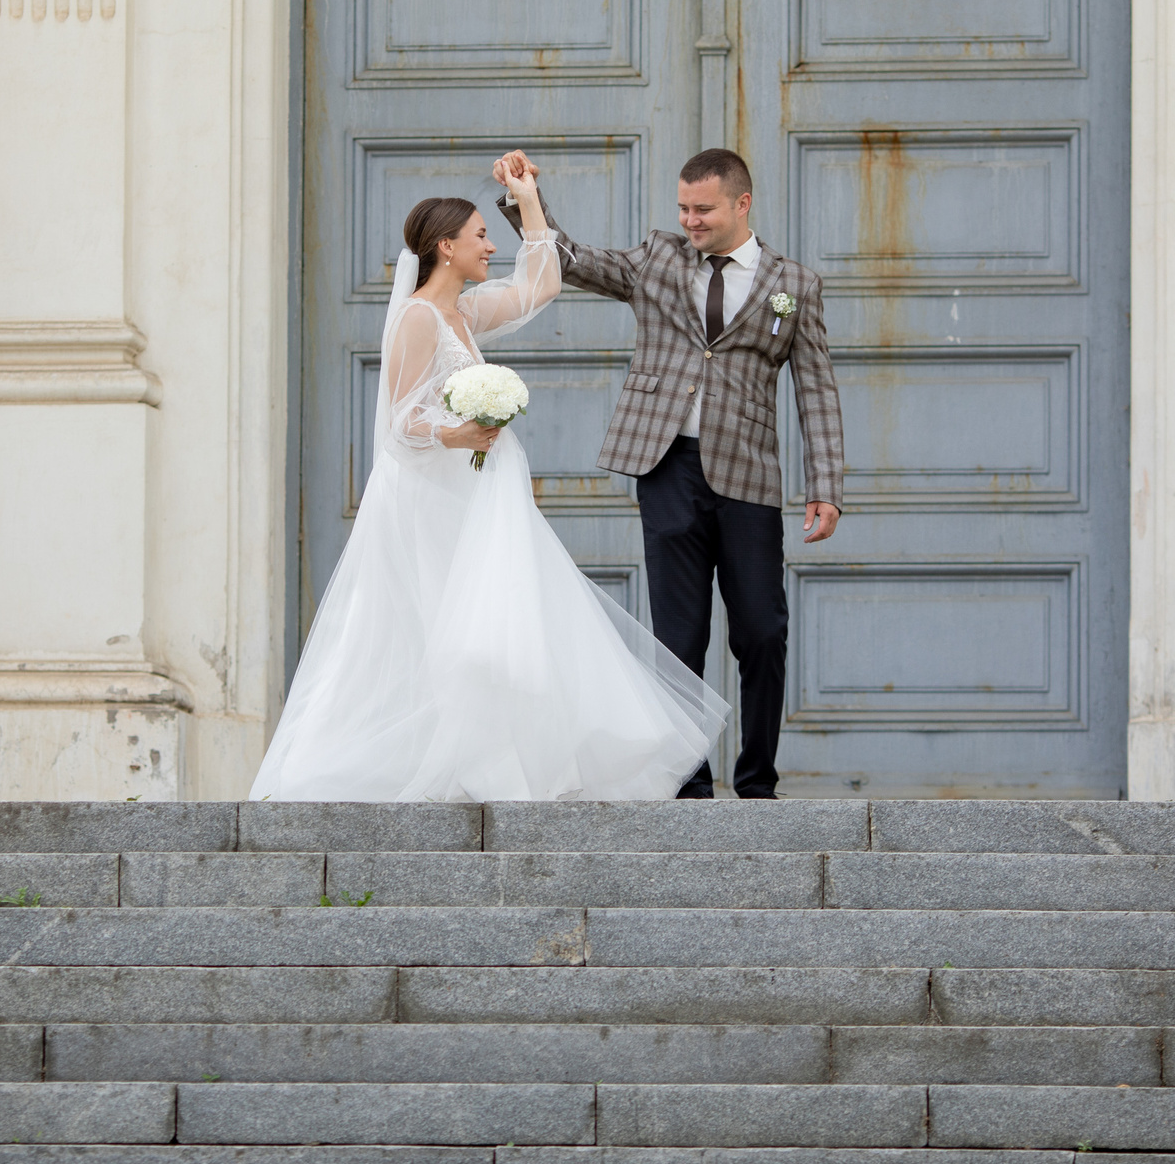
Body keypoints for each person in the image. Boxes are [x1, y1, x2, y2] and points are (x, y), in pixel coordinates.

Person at [248, 162, 727, 801]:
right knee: (455, 631)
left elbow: (541, 282)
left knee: (496, 629)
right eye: (479, 235)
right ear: (445, 247)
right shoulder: (418, 318)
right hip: (435, 501)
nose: (490, 246)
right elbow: (398, 420)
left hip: (476, 498)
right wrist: (458, 433)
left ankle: (493, 763)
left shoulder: (464, 315)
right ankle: (458, 767)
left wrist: (527, 200)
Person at [496, 147, 844, 799]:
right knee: (679, 637)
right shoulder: (657, 259)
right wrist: (526, 200)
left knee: (762, 631)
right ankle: (689, 788)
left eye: (703, 208)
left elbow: (817, 390)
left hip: (749, 474)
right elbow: (572, 260)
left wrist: (826, 484)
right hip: (665, 467)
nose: (690, 219)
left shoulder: (794, 286)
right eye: (683, 207)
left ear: (742, 203)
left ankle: (758, 781)